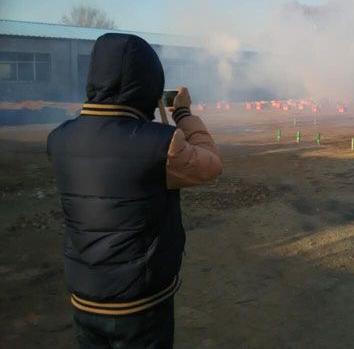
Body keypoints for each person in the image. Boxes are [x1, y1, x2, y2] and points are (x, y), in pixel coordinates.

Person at [47, 33, 223, 349]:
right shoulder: (160, 143)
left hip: (84, 295)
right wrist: (182, 115)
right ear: (148, 84)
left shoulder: (60, 139)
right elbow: (209, 165)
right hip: (140, 302)